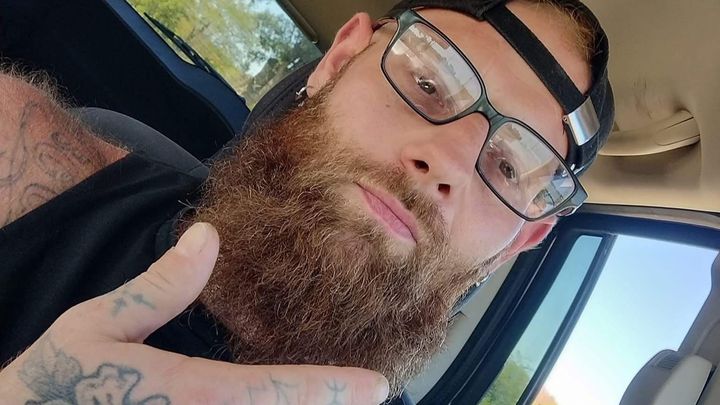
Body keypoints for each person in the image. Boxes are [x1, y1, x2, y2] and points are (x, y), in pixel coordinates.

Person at [0, 0, 614, 403]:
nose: (449, 162)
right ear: (338, 62)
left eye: (510, 168)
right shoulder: (25, 159)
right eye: (429, 82)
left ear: (514, 246)